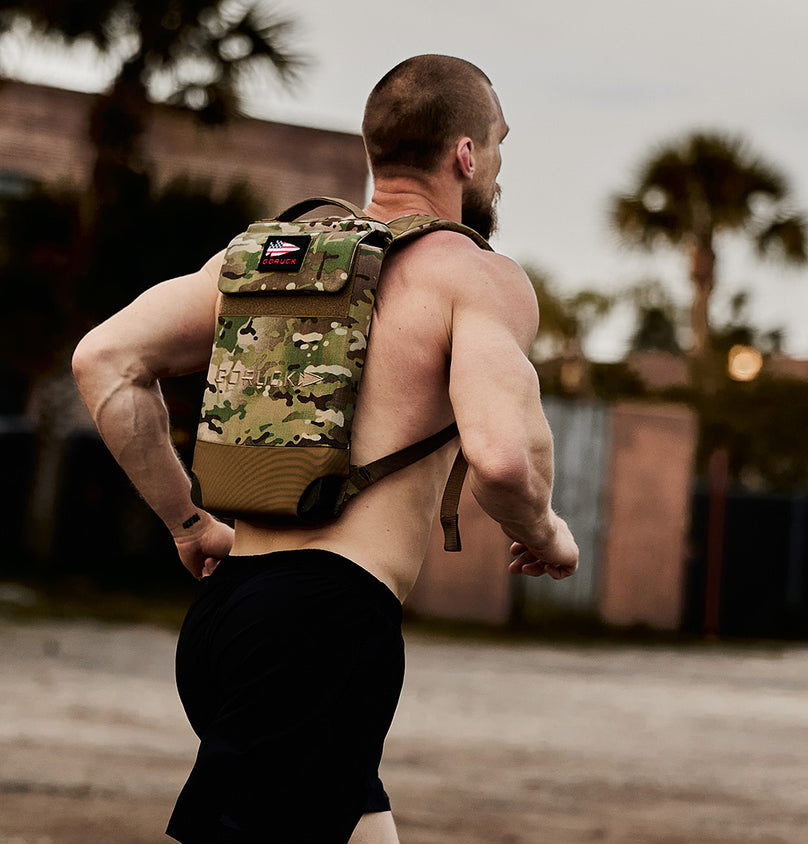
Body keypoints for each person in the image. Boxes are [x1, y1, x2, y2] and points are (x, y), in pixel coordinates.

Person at [72, 54, 579, 843]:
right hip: (323, 629)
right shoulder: (475, 276)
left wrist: (187, 523)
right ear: (467, 155)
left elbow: (103, 359)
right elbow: (505, 459)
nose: (498, 167)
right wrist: (546, 533)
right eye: (499, 146)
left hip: (226, 616)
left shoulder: (270, 257)